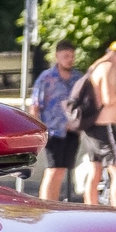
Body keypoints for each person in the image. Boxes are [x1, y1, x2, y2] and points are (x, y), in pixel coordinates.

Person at [30, 42, 82, 203]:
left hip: (72, 131)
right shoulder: (46, 78)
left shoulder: (78, 78)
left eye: (72, 56)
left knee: (62, 170)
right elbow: (35, 107)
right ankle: (45, 204)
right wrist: (38, 131)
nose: (70, 60)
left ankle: (55, 204)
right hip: (52, 132)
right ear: (57, 56)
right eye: (66, 56)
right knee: (53, 170)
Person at [84, 41, 116, 208]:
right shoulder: (108, 68)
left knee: (95, 169)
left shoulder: (96, 67)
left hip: (92, 127)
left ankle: (90, 208)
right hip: (105, 127)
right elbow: (108, 99)